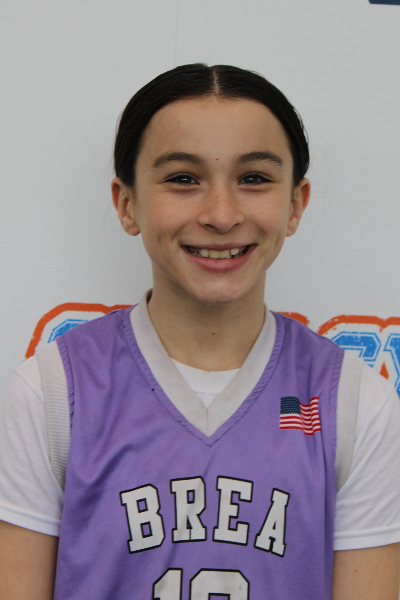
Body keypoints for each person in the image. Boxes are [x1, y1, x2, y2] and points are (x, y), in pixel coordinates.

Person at [1, 64, 400, 600]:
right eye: (183, 179)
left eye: (253, 178)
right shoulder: (51, 394)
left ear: (295, 204)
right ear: (126, 203)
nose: (221, 214)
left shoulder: (354, 403)